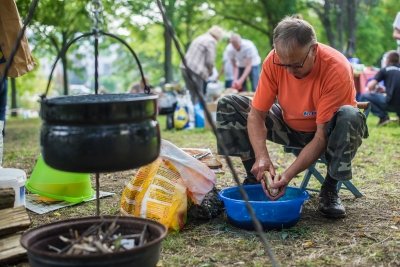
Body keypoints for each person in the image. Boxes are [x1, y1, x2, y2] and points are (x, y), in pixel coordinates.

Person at [216, 17, 368, 219]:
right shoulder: (273, 60)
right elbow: (256, 115)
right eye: (283, 64)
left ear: (313, 50)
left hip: (327, 132)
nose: (288, 71)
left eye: (296, 65)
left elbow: (321, 137)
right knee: (229, 104)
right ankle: (256, 177)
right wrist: (262, 157)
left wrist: (287, 176)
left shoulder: (336, 67)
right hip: (289, 123)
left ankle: (330, 188)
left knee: (351, 115)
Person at [180, 26, 224, 104]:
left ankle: (190, 113)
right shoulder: (211, 41)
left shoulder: (200, 38)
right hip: (196, 70)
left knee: (190, 94)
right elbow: (209, 61)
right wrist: (210, 72)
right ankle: (198, 115)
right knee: (197, 95)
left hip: (185, 67)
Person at [360, 51, 400, 125]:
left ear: (388, 60)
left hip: (390, 103)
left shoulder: (385, 70)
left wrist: (376, 88)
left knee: (365, 96)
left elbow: (370, 86)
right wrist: (385, 90)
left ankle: (383, 117)